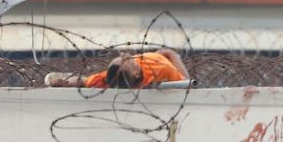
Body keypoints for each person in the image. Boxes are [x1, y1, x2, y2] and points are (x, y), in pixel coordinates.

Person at [45, 49, 189, 89]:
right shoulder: (163, 70)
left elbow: (83, 81)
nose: (124, 54)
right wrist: (172, 56)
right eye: (126, 59)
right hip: (166, 57)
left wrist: (64, 82)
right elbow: (187, 83)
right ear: (136, 73)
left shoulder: (111, 78)